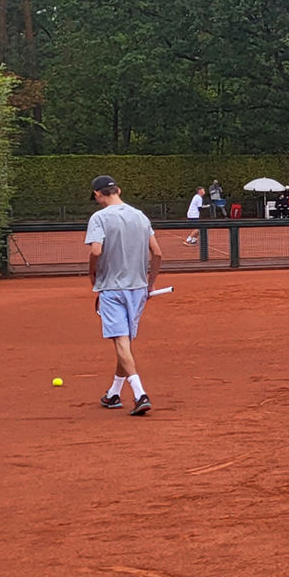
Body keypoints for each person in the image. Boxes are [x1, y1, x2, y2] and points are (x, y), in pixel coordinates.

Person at [85, 175, 162, 415]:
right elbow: (157, 253)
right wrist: (150, 284)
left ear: (98, 194)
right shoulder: (140, 216)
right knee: (125, 343)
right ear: (118, 189)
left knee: (121, 341)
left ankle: (140, 394)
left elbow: (96, 250)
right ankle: (113, 394)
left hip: (112, 288)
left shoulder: (99, 218)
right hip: (138, 289)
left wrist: (92, 275)